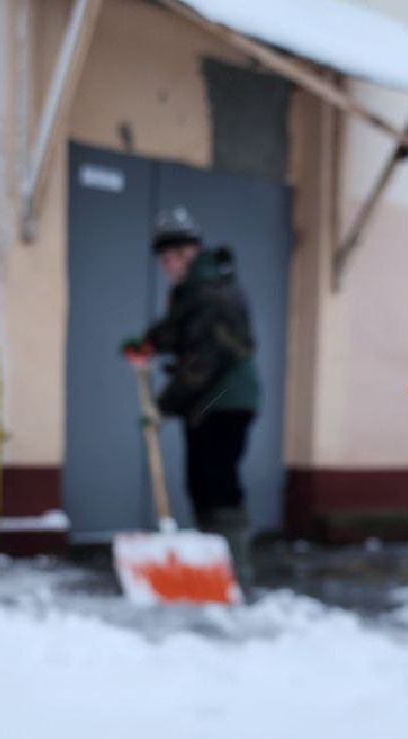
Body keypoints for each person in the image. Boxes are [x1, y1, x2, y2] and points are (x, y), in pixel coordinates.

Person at [122, 206, 259, 586]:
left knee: (216, 482)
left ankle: (236, 572)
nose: (170, 263)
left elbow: (204, 362)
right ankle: (214, 566)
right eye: (165, 257)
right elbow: (179, 330)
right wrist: (149, 342)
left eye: (178, 254)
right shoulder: (194, 291)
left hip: (224, 398)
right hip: (210, 400)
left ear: (195, 250)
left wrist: (162, 407)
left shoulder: (212, 293)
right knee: (202, 482)